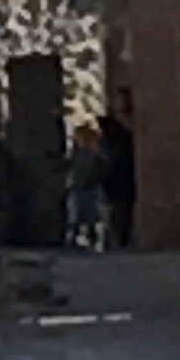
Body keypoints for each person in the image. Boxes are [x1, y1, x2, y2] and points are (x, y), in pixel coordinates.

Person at [99, 102, 138, 255]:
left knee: (121, 210)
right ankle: (118, 238)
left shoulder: (119, 139)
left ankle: (121, 238)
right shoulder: (115, 138)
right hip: (116, 182)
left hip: (120, 181)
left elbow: (113, 158)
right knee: (118, 211)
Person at [66, 120, 109, 253]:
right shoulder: (77, 153)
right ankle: (75, 237)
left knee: (92, 215)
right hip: (79, 187)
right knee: (77, 214)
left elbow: (102, 169)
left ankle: (94, 237)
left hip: (91, 188)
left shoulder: (96, 155)